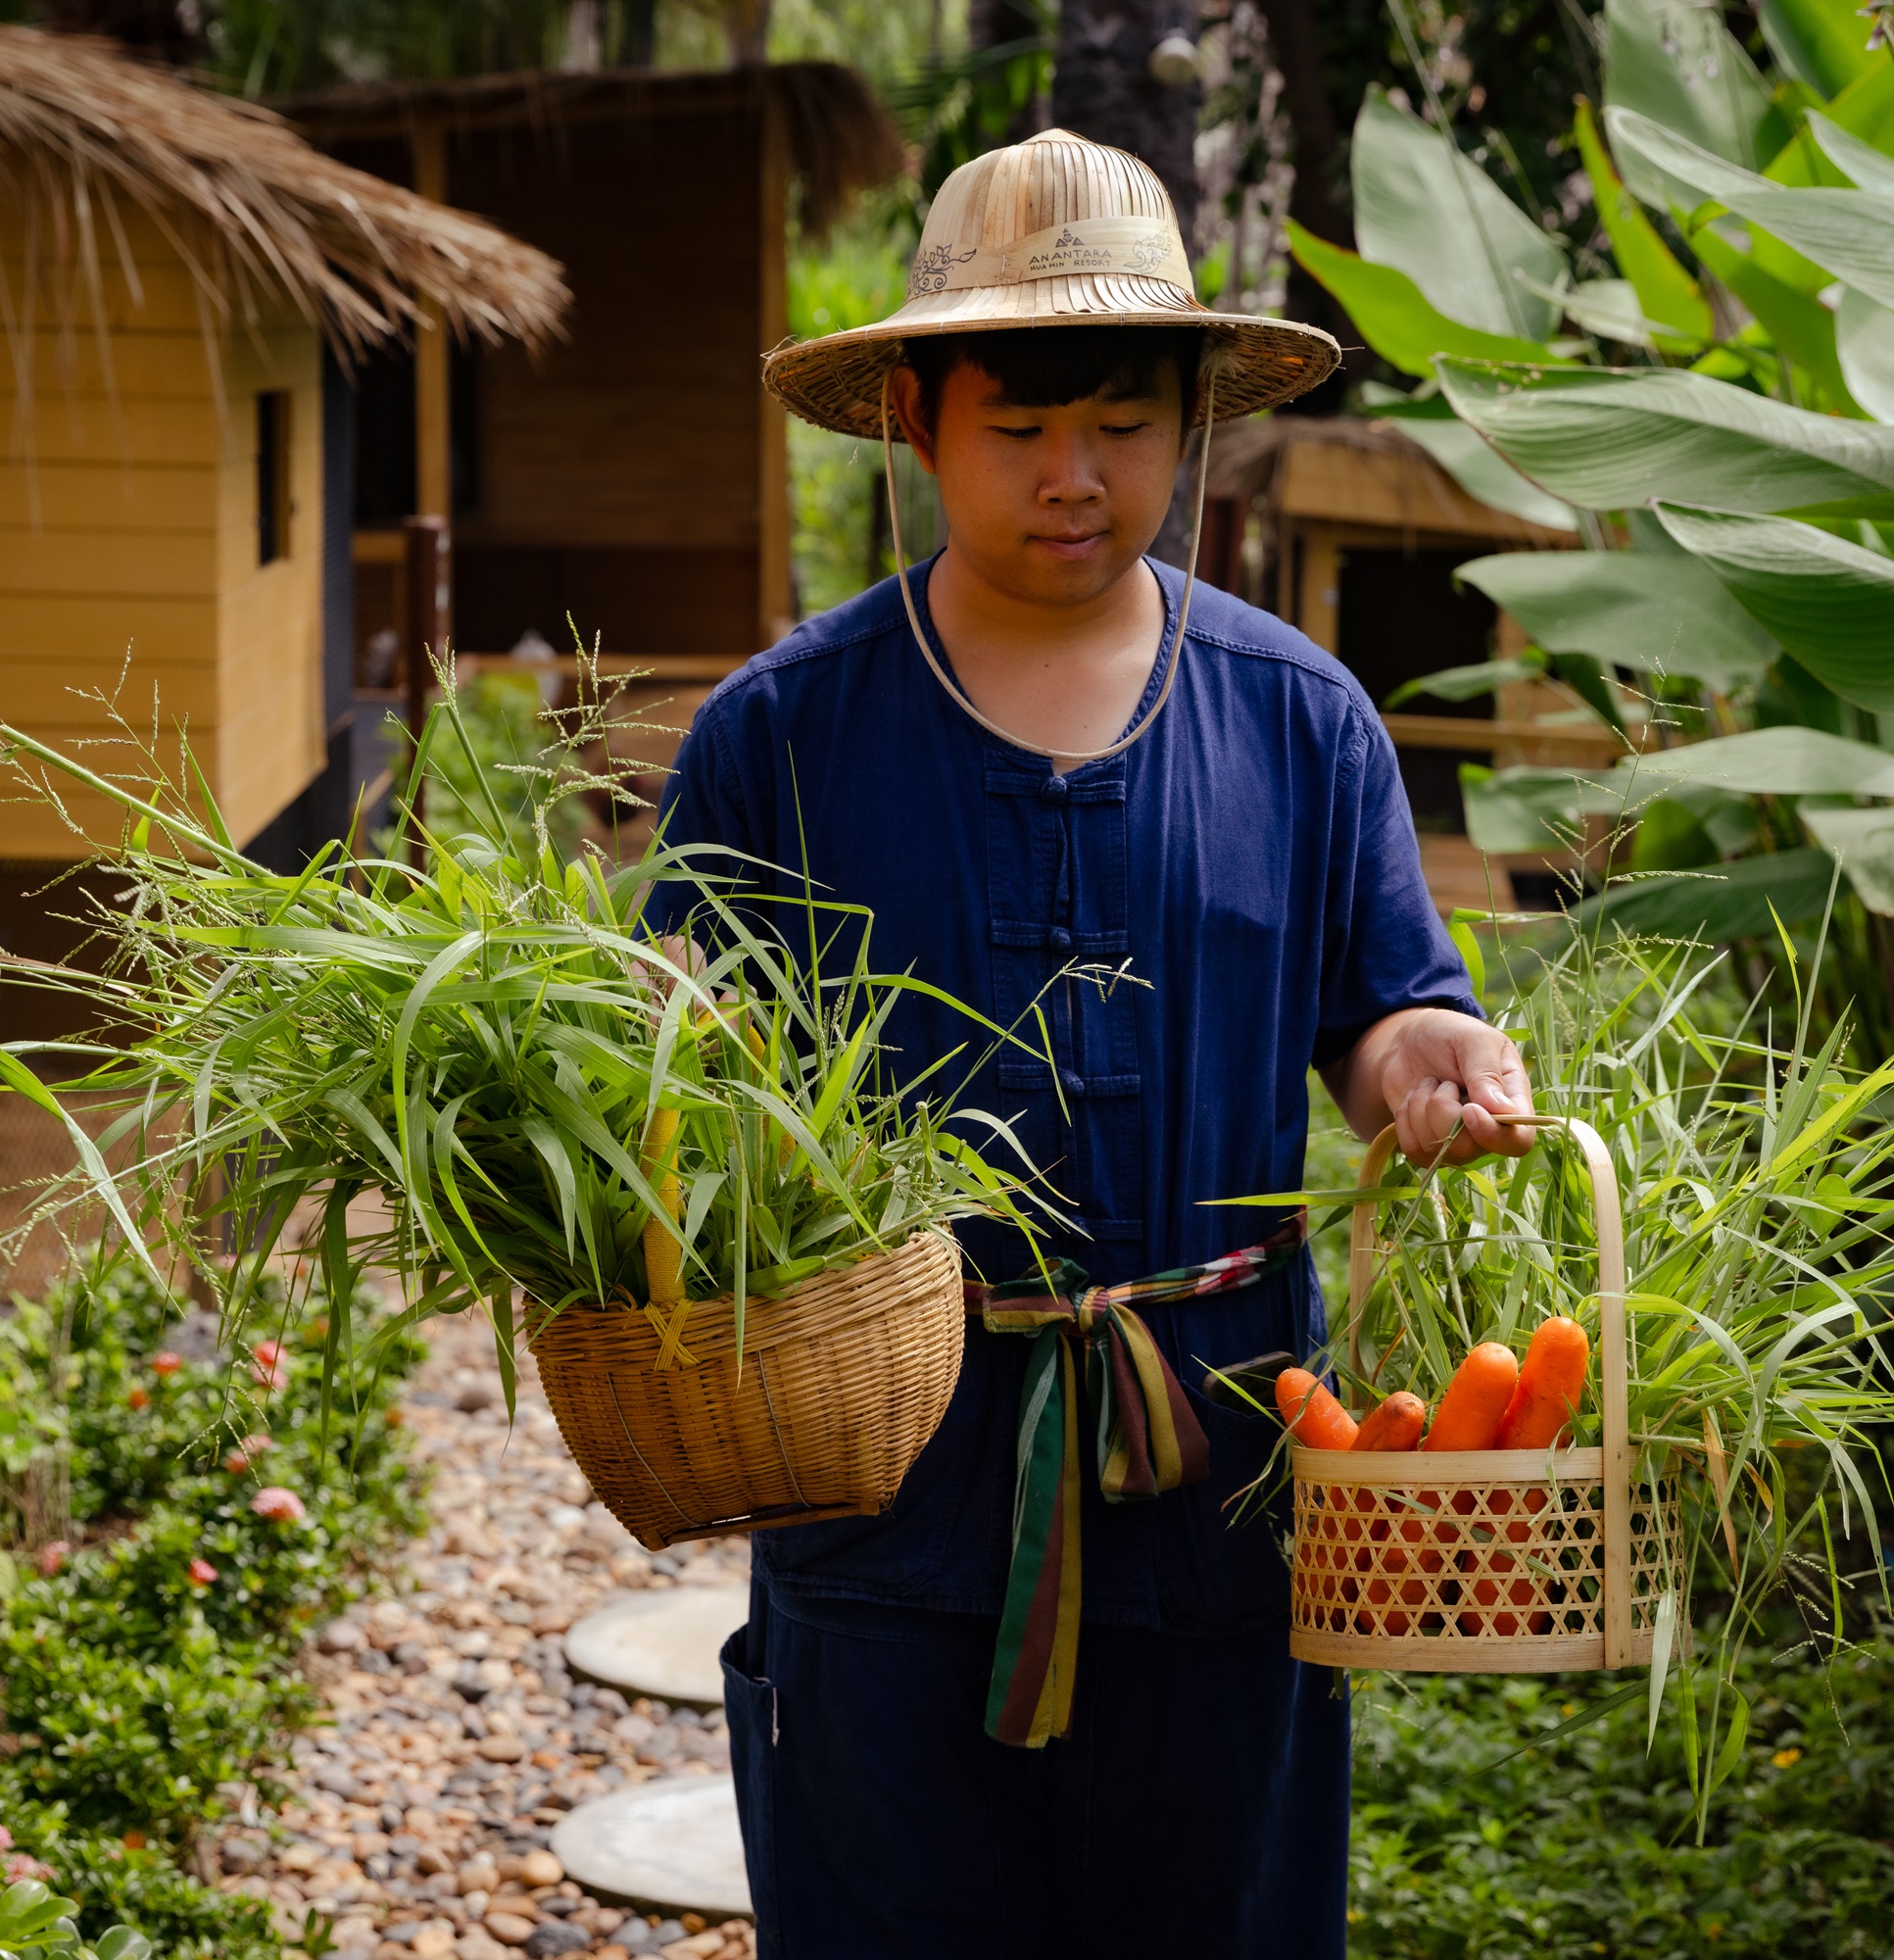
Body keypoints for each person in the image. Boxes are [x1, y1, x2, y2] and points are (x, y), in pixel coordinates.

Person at [643, 127, 1535, 1958]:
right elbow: (674, 1079)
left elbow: (1382, 1010)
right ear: (915, 414)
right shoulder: (782, 739)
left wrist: (1429, 1062)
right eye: (1021, 427)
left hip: (1222, 1494)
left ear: (1193, 419)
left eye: (1124, 423)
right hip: (881, 1503)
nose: (1077, 477)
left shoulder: (1299, 719)